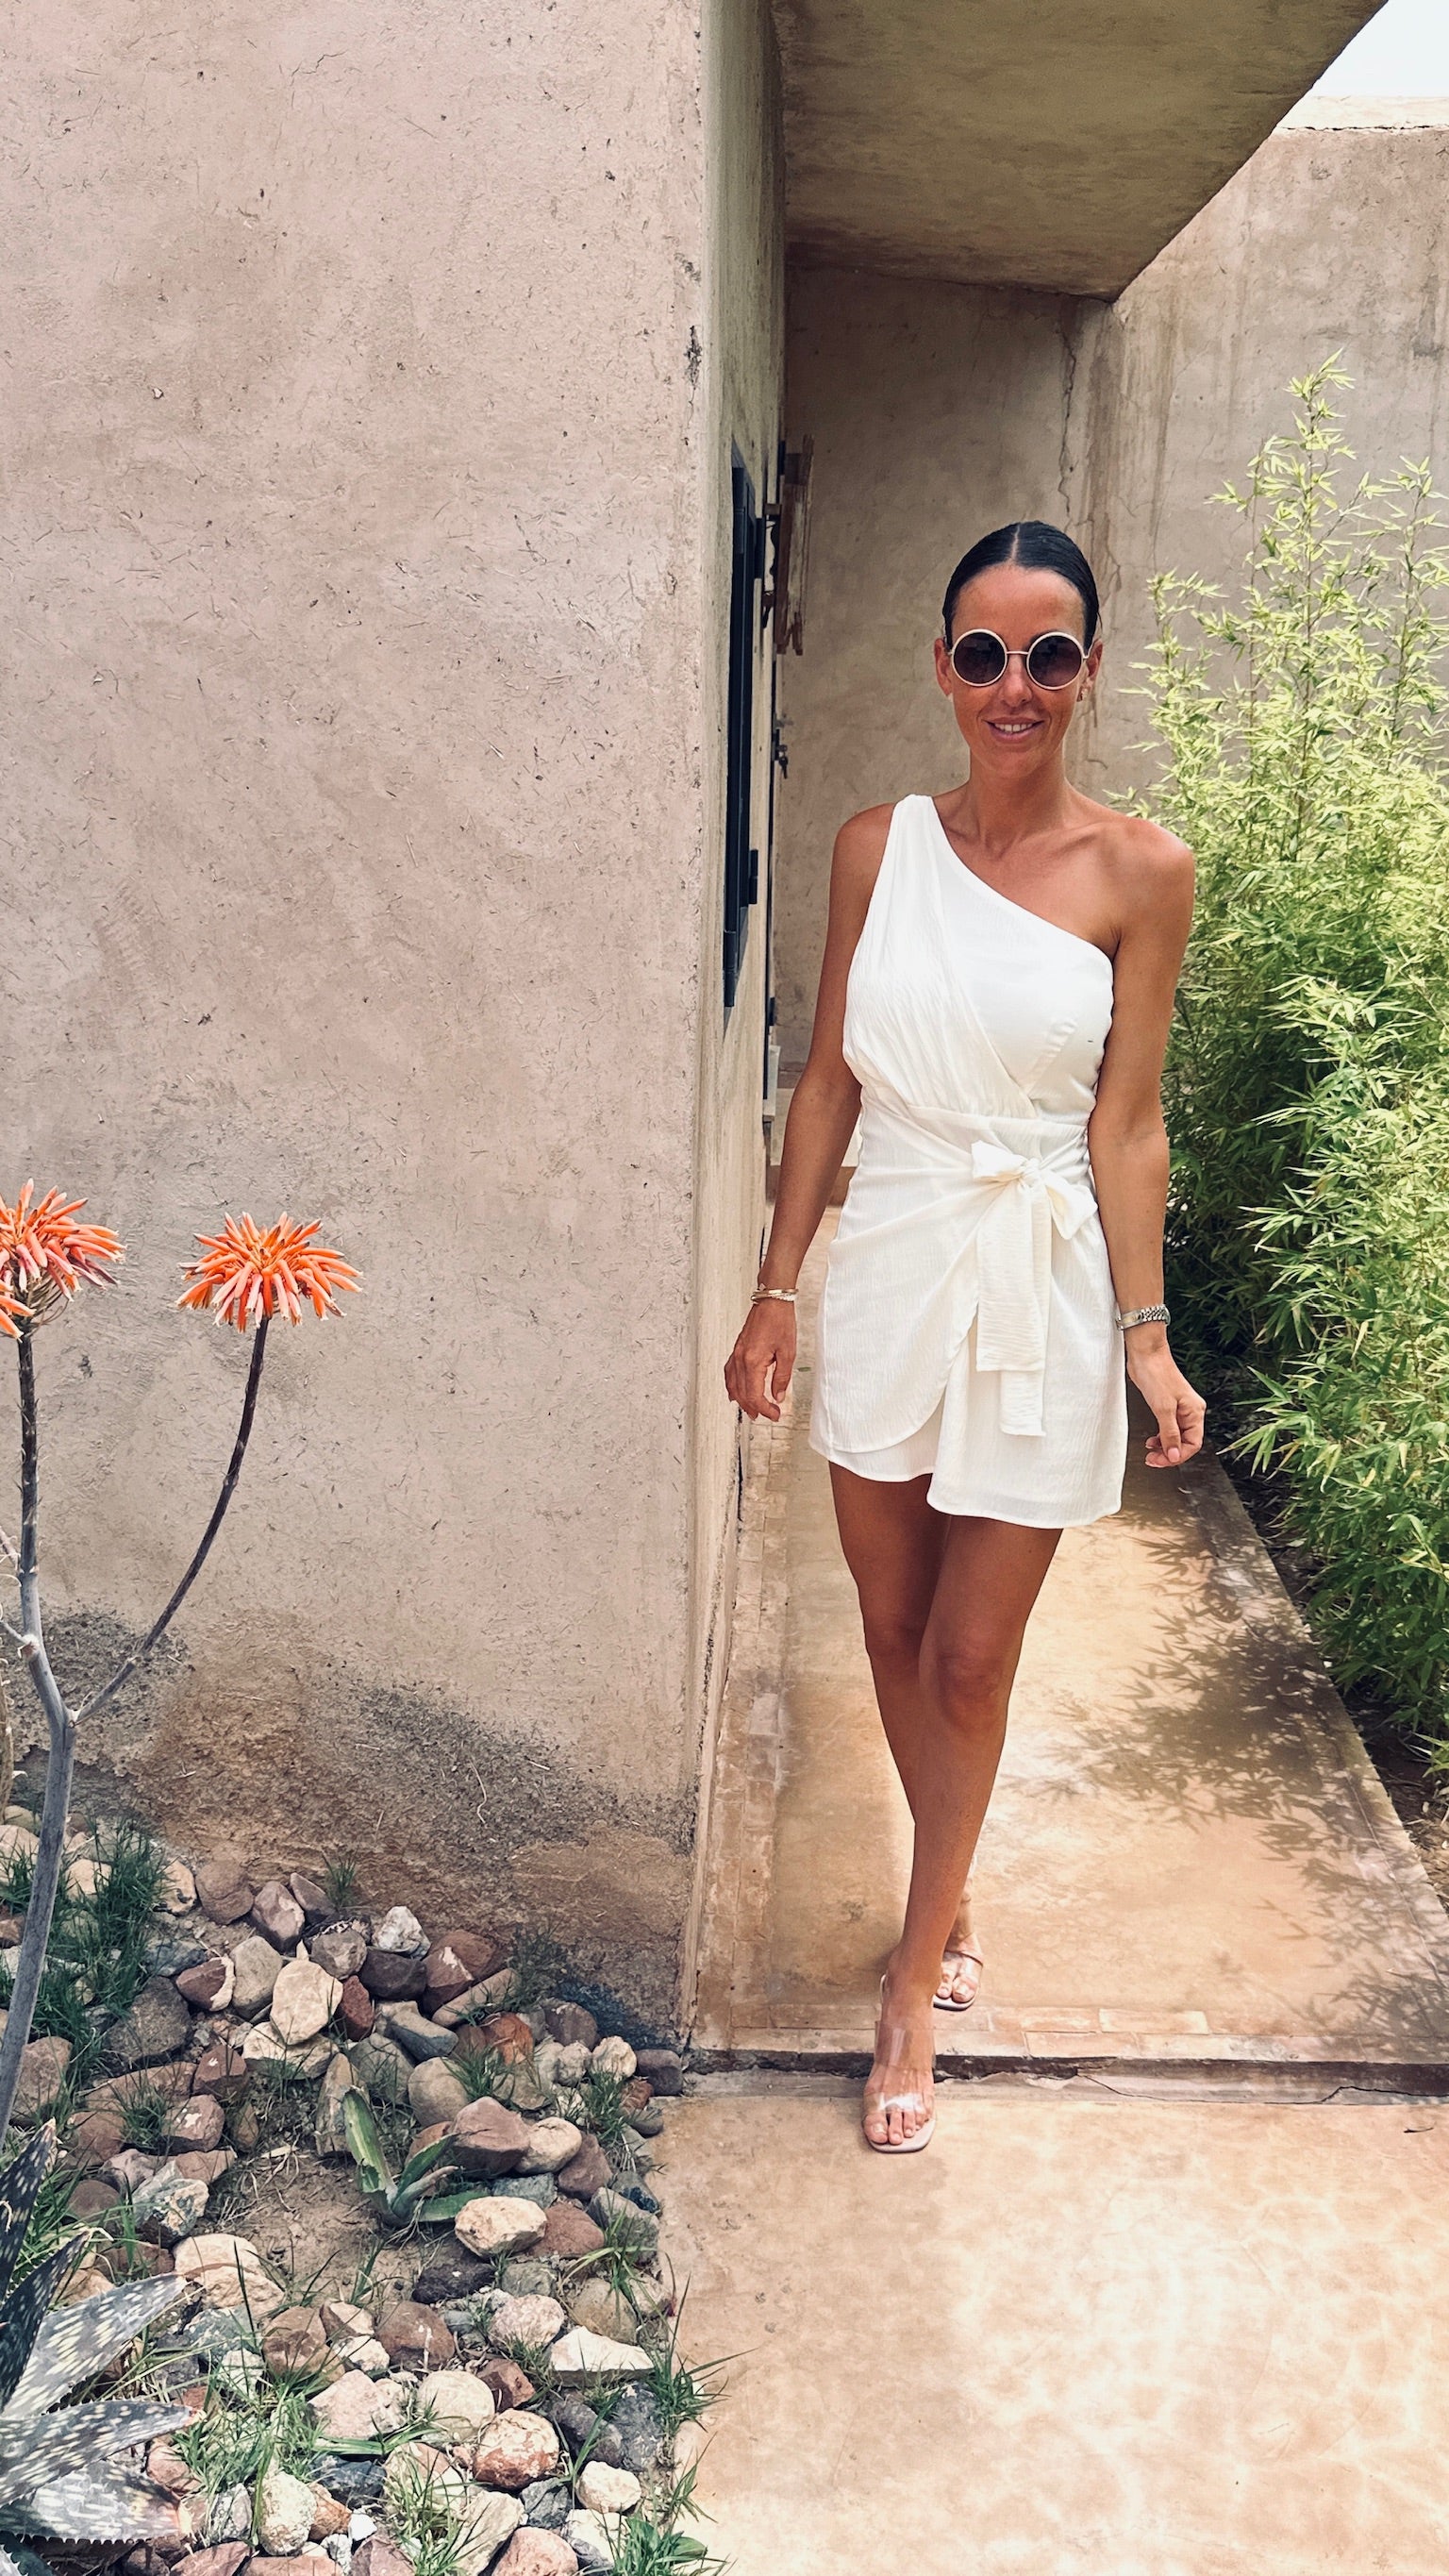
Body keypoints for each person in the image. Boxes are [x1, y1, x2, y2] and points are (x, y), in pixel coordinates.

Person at [724, 520, 1205, 2154]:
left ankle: (912, 1976)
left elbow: (1126, 1124)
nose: (1016, 683)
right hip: (895, 1261)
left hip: (1043, 1280)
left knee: (972, 1653)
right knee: (889, 1619)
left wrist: (1146, 1335)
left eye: (1048, 654)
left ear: (1087, 670)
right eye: (985, 652)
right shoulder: (877, 847)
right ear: (944, 665)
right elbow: (828, 1082)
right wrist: (777, 1282)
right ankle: (953, 1875)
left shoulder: (1142, 871)